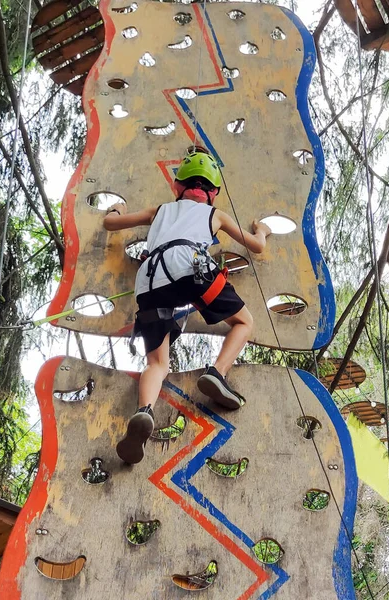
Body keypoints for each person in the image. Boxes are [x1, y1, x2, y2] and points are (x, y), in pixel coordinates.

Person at [103, 148, 271, 464]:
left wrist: (117, 207)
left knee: (157, 363)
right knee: (244, 321)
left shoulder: (160, 210)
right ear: (213, 192)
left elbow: (110, 223)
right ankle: (217, 374)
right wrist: (262, 229)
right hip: (192, 265)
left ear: (176, 187)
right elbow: (257, 246)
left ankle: (144, 411)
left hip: (150, 277)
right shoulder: (215, 215)